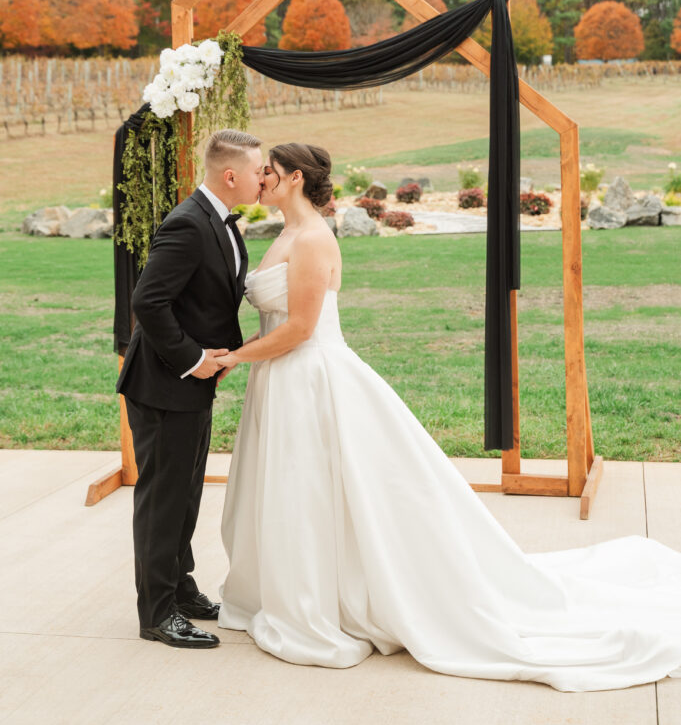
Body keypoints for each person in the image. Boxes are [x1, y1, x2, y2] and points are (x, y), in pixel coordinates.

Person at [215, 141, 681, 692]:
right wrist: (238, 353)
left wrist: (233, 359)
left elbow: (299, 329)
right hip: (282, 382)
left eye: (268, 171)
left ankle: (331, 600)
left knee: (319, 490)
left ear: (293, 178)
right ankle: (310, 585)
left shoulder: (314, 239)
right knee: (304, 493)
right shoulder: (285, 236)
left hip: (312, 379)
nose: (259, 179)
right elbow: (278, 325)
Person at [117, 128, 264, 649]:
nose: (262, 177)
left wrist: (222, 353)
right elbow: (149, 301)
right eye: (256, 170)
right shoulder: (187, 225)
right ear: (230, 175)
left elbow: (208, 299)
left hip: (192, 385)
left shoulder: (218, 221)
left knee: (185, 494)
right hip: (163, 385)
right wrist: (195, 358)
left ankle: (179, 589)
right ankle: (156, 614)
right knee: (162, 499)